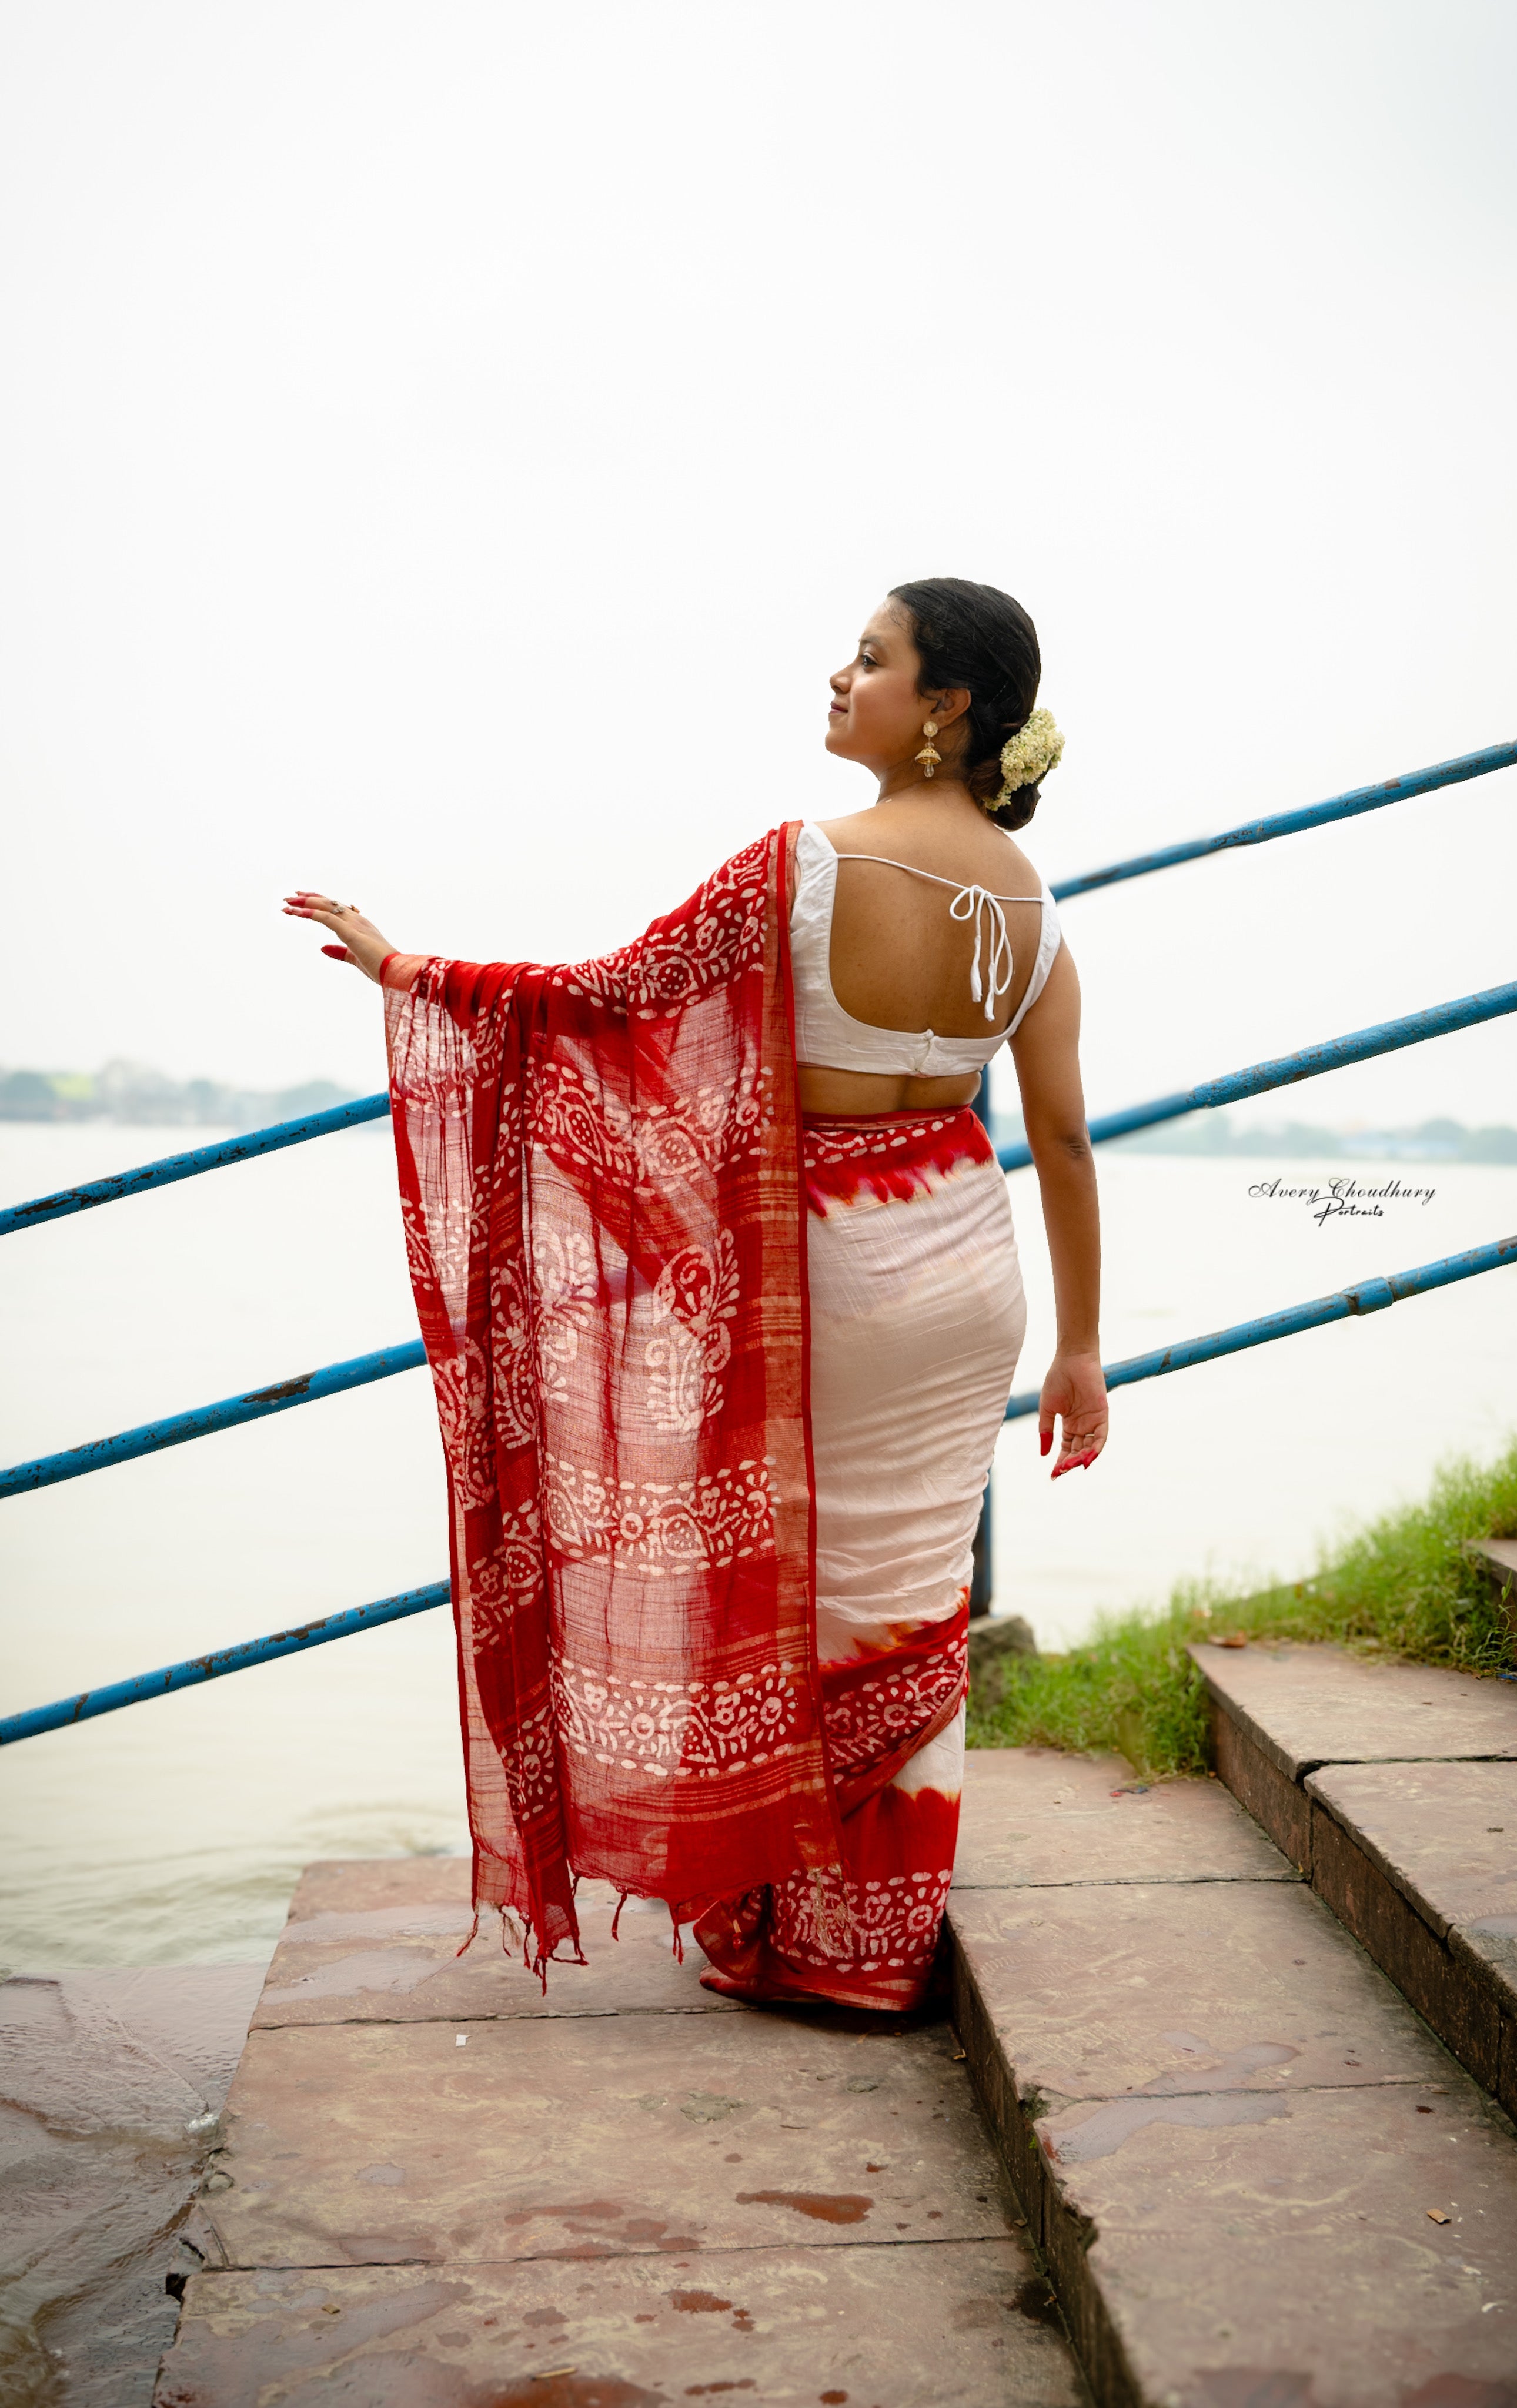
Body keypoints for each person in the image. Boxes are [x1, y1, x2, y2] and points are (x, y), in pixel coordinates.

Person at [285, 576, 1105, 2012]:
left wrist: (408, 969)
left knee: (808, 1596)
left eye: (872, 658)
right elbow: (1068, 1138)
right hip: (969, 1262)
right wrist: (1083, 1350)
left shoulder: (804, 865)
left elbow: (603, 1004)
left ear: (947, 705)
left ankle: (798, 1930)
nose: (840, 676)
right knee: (910, 1599)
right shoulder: (1036, 909)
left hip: (831, 1265)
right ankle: (872, 1945)